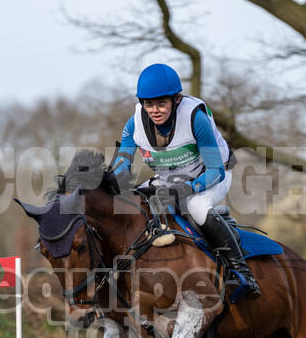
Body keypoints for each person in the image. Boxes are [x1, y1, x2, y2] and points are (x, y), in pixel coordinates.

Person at [112, 63, 261, 299]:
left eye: (161, 103)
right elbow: (121, 168)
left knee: (196, 206)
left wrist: (188, 188)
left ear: (176, 100)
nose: (155, 110)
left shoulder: (196, 119)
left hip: (212, 174)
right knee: (134, 202)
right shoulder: (133, 125)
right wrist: (111, 183)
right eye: (149, 104)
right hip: (169, 179)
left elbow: (216, 170)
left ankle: (242, 273)